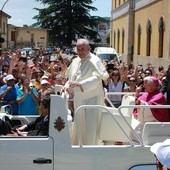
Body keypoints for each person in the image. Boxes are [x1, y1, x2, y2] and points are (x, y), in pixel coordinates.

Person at [64, 38, 109, 145]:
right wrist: (65, 86)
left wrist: (81, 84)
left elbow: (98, 78)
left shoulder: (94, 60)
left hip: (92, 98)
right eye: (78, 49)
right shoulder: (75, 61)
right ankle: (79, 145)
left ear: (89, 48)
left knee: (90, 126)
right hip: (79, 98)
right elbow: (71, 78)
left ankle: (90, 148)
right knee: (79, 125)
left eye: (83, 49)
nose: (80, 51)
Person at [131, 76, 170, 141]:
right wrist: (136, 95)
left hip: (154, 122)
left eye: (146, 84)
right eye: (144, 84)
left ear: (153, 86)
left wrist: (139, 101)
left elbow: (149, 107)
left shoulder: (159, 96)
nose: (144, 86)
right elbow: (138, 101)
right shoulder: (146, 94)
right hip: (144, 121)